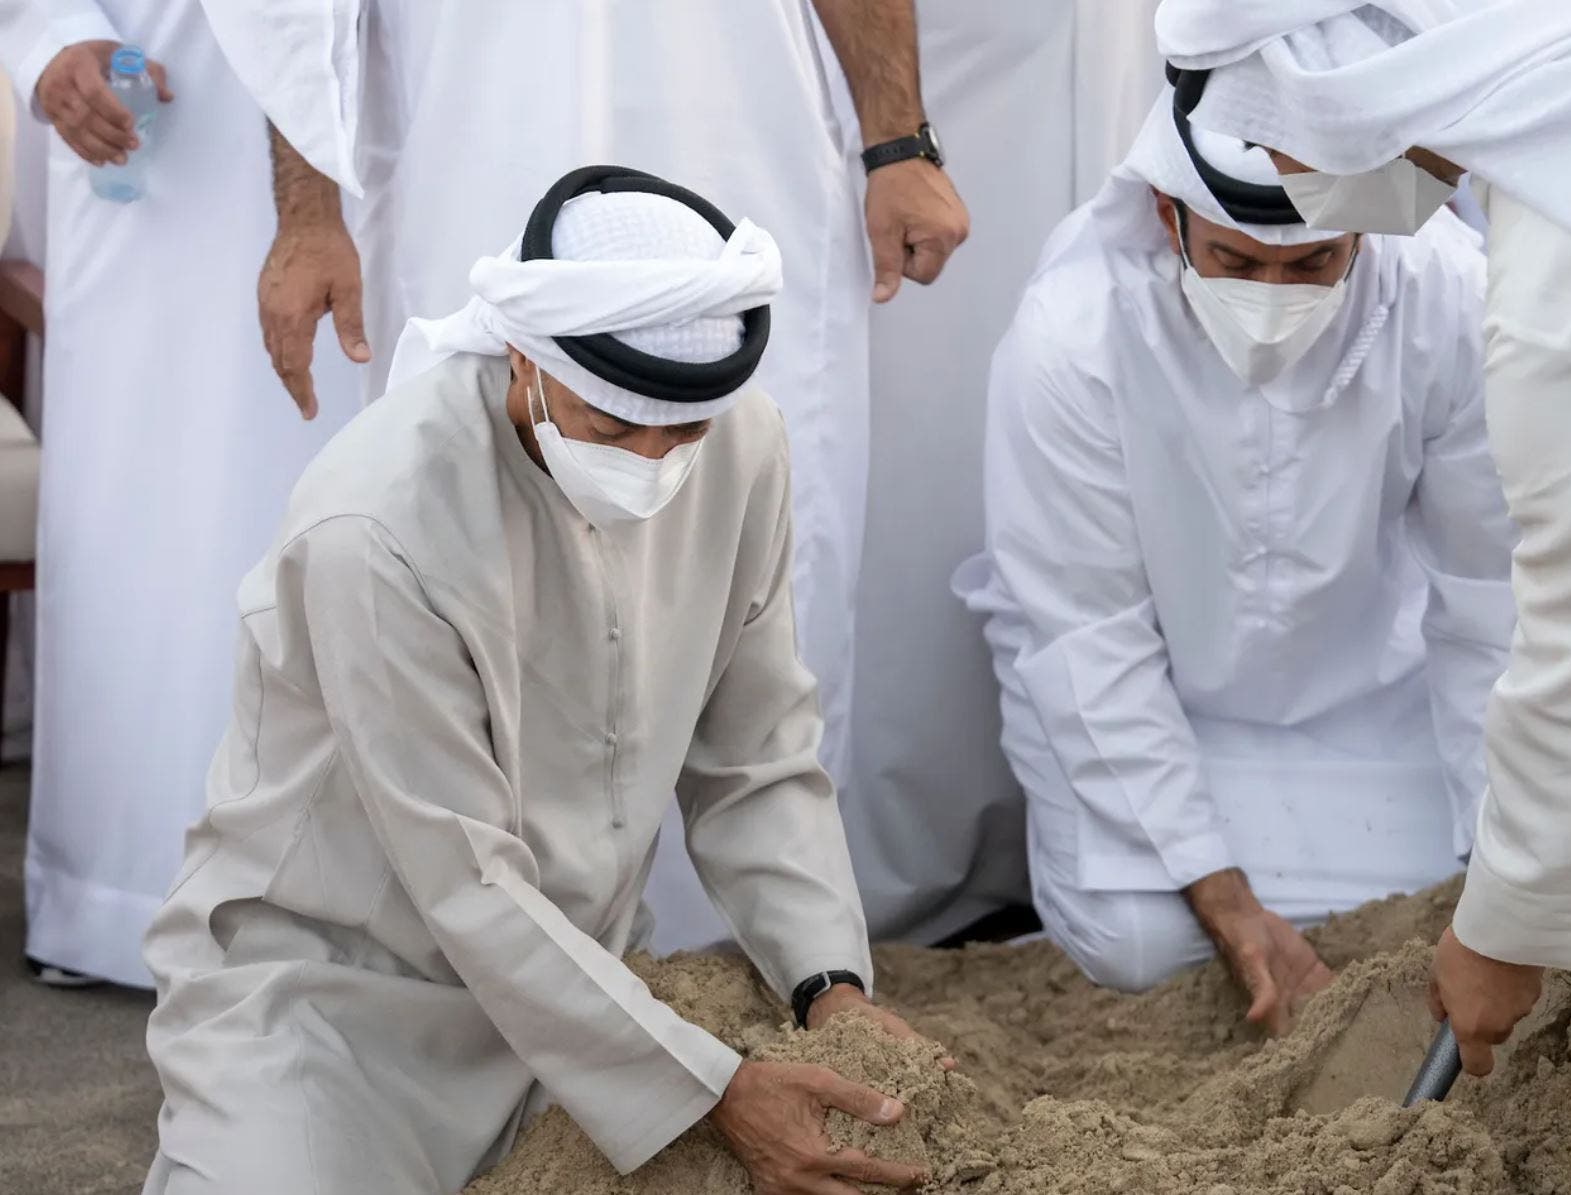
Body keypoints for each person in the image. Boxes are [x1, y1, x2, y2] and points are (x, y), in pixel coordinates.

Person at [142, 169, 937, 1195]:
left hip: (592, 986)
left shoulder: (741, 445)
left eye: (682, 431)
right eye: (613, 429)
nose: (654, 462)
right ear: (526, 356)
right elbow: (461, 876)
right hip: (333, 1001)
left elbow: (756, 754)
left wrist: (828, 984)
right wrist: (708, 1088)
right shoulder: (376, 527)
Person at [956, 90, 1571, 1031]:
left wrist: (1508, 880)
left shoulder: (1446, 293)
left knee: (1561, 891)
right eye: (1235, 260)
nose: (1270, 295)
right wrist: (1226, 902)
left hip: (1381, 710)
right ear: (1169, 218)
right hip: (1157, 712)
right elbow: (1088, 639)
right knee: (1139, 944)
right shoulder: (1070, 334)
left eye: (1310, 263)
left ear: (1364, 236)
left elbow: (1489, 593)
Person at [196, 0, 971, 951]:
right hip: (471, 134)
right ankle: (521, 970)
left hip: (743, 122)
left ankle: (768, 959)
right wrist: (309, 212)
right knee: (469, 558)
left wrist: (899, 144)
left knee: (740, 545)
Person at [1153, 1, 1571, 1073]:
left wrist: (1505, 940)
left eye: (1280, 136)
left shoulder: (1568, 275)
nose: (1291, 180)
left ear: (1362, 87)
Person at [0, 0, 358, 987]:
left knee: (340, 506)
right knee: (147, 528)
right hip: (143, 155)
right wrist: (48, 47)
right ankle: (122, 901)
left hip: (354, 136)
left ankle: (350, 910)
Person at [840, 0, 1165, 947]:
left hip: (1113, 88)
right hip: (942, 108)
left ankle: (1058, 830)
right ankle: (914, 848)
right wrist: (896, 139)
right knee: (927, 469)